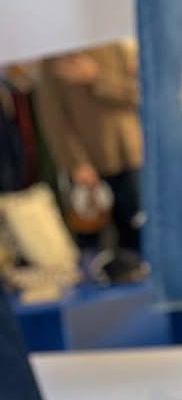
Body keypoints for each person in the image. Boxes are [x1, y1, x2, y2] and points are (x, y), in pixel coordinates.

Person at [36, 41, 146, 282]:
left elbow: (138, 93)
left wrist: (96, 77)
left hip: (131, 154)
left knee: (136, 225)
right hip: (90, 162)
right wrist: (76, 162)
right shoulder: (53, 59)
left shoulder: (116, 47)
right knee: (91, 233)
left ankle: (137, 276)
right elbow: (53, 119)